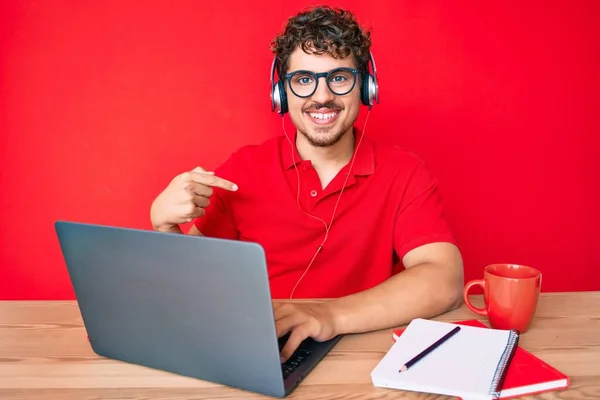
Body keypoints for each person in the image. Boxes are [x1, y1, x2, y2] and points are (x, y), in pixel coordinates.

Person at [150, 5, 464, 362]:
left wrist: (326, 316)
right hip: (266, 351)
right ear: (281, 93)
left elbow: (445, 281)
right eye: (303, 80)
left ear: (366, 85)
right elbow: (190, 284)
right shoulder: (243, 169)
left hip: (362, 354)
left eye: (339, 77)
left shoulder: (404, 172)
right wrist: (165, 228)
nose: (322, 96)